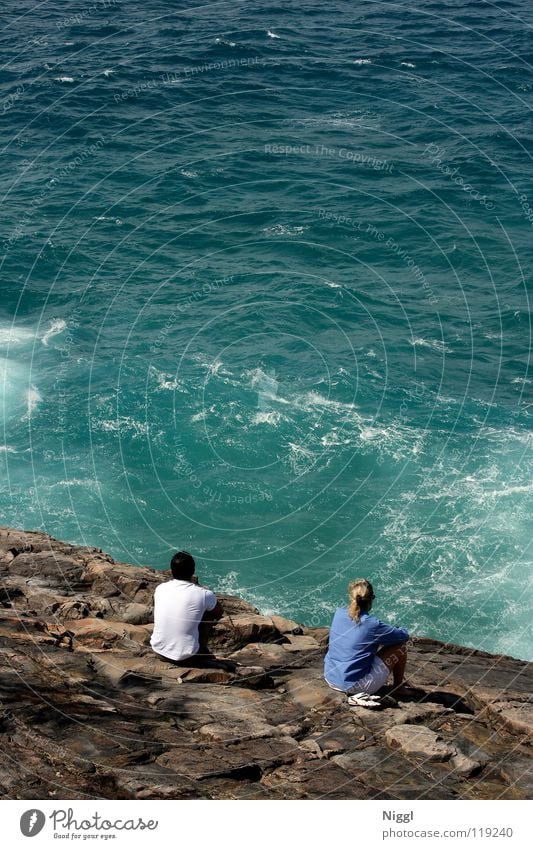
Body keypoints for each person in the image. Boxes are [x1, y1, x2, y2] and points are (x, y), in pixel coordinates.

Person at [324, 578, 409, 706]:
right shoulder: (372, 624)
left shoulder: (339, 613)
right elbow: (403, 636)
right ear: (371, 599)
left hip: (330, 677)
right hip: (354, 686)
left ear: (351, 597)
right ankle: (398, 687)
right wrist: (399, 628)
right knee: (400, 647)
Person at [150, 550, 224, 666]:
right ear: (193, 571)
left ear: (171, 570)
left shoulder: (160, 588)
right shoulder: (203, 594)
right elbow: (219, 612)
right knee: (208, 613)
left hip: (158, 651)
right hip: (186, 657)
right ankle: (202, 649)